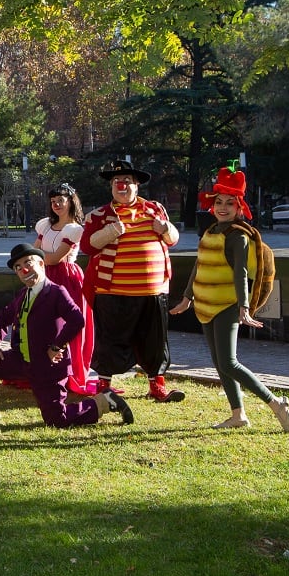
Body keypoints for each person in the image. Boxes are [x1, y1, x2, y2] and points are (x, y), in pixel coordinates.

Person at [169, 167, 289, 431]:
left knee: (229, 362)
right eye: (219, 202)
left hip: (227, 306)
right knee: (219, 363)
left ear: (239, 208)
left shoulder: (238, 235)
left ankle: (275, 404)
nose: (223, 207)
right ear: (211, 205)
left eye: (230, 203)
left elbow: (242, 272)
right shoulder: (211, 230)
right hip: (205, 305)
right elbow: (199, 266)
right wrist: (187, 297)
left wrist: (244, 307)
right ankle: (238, 414)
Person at [0, 244, 134, 427]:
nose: (24, 270)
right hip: (22, 360)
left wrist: (57, 346)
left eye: (28, 263)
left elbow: (77, 320)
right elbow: (6, 315)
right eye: (18, 268)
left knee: (56, 419)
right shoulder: (23, 294)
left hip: (47, 366)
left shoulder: (56, 292)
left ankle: (104, 402)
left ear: (41, 264)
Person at [80, 160, 185, 402]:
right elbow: (86, 246)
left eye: (127, 181)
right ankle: (103, 385)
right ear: (111, 187)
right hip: (112, 291)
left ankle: (156, 386)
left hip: (153, 291)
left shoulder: (155, 209)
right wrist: (109, 232)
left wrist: (165, 228)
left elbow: (173, 240)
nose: (121, 185)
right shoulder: (98, 215)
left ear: (137, 185)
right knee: (109, 340)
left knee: (154, 341)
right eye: (116, 181)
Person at [34, 183, 96, 395]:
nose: (57, 204)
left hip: (67, 278)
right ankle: (46, 370)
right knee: (44, 325)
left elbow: (54, 257)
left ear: (71, 201)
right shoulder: (44, 225)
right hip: (45, 276)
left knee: (69, 325)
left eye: (61, 200)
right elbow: (36, 250)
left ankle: (70, 373)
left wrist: (35, 260)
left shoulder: (74, 229)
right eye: (53, 201)